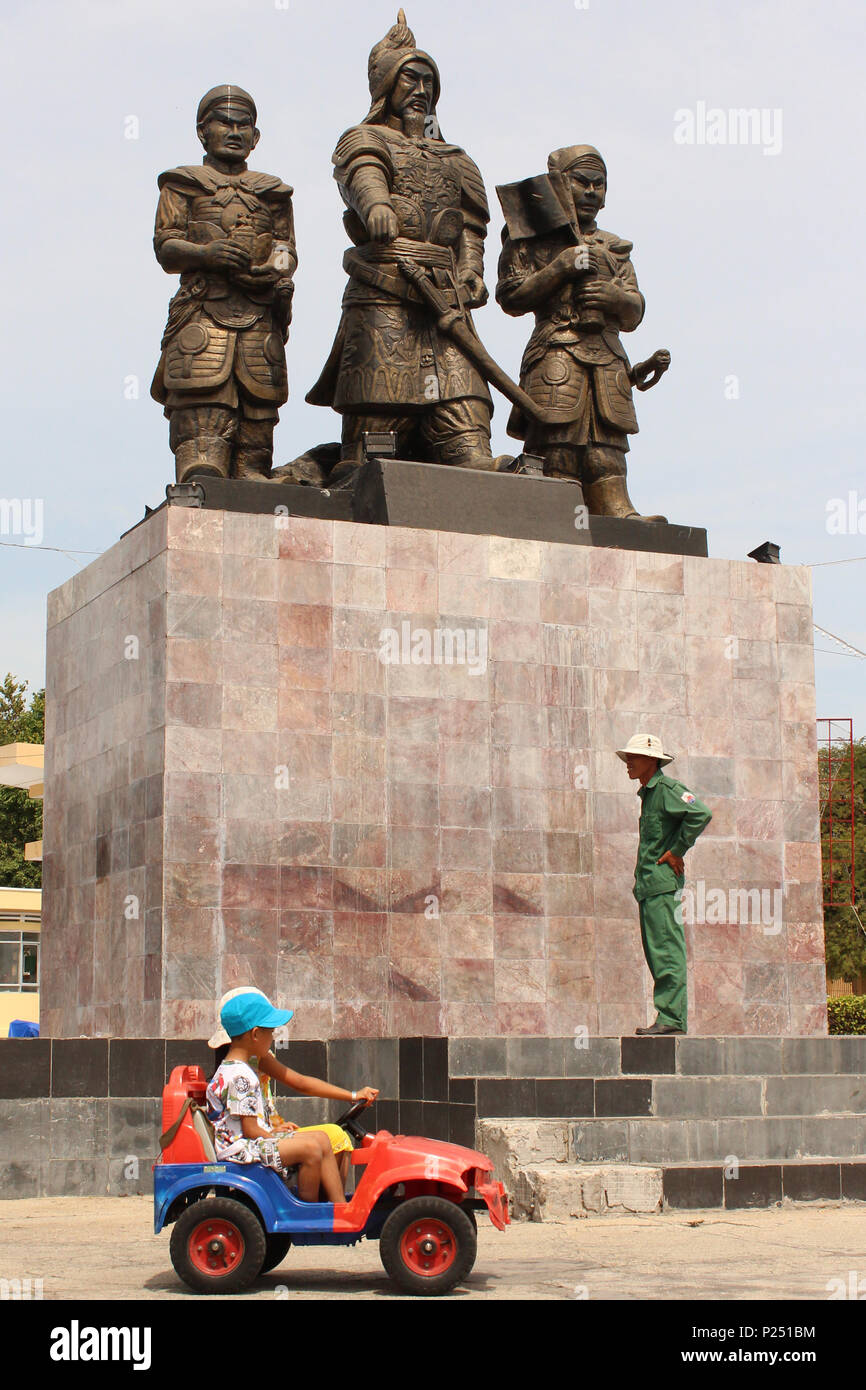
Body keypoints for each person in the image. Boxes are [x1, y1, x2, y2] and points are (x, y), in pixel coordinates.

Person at [307, 9, 508, 471]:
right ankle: (358, 464)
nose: (421, 91)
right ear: (385, 87)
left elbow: (473, 224)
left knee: (464, 399)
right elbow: (363, 171)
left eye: (428, 82)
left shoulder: (455, 157)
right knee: (379, 420)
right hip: (385, 287)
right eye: (409, 80)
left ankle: (468, 457)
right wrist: (375, 204)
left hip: (444, 295)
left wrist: (472, 270)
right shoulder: (366, 138)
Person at [496, 145, 664, 519]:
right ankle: (555, 516)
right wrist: (560, 267)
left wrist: (614, 297)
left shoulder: (615, 248)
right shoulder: (530, 238)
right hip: (557, 347)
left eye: (599, 185)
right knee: (557, 448)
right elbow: (511, 296)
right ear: (559, 184)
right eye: (581, 182)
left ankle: (616, 509)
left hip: (607, 356)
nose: (591, 191)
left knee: (607, 447)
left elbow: (635, 311)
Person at [150, 85, 297, 482]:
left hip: (258, 314)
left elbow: (286, 249)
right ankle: (201, 475)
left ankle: (253, 474)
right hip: (204, 310)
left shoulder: (273, 193)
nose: (235, 131)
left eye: (243, 125)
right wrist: (205, 254)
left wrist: (275, 270)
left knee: (258, 414)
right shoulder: (183, 183)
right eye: (225, 123)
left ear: (256, 136)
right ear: (203, 131)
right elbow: (166, 245)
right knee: (203, 415)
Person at [206, 989, 378, 1201]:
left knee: (323, 1139)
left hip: (245, 1143)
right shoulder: (241, 1076)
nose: (272, 1038)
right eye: (270, 1032)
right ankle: (307, 1213)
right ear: (256, 1034)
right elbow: (250, 1130)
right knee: (311, 1148)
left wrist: (278, 1134)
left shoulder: (236, 1069)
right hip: (240, 1150)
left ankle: (339, 1208)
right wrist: (277, 1138)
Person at [617, 733, 712, 1035]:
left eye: (634, 757)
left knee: (667, 951)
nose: (628, 763)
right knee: (657, 952)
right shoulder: (648, 795)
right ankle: (667, 1017)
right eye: (628, 757)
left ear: (652, 761)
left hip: (661, 884)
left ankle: (671, 1019)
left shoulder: (668, 789)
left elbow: (700, 813)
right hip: (648, 886)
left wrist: (678, 850)